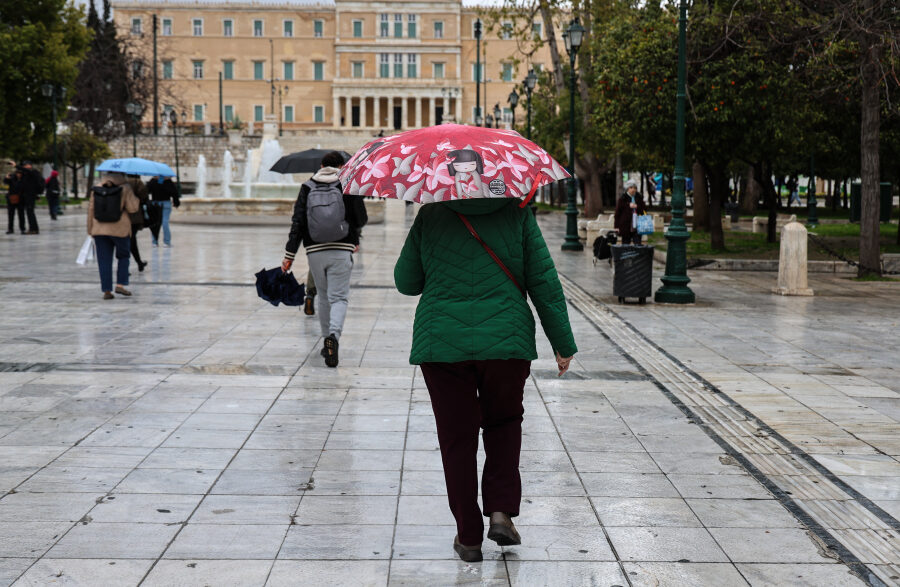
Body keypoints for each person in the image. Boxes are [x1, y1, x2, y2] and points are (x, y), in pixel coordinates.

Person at [393, 197, 577, 563]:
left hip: (442, 342)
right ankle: (501, 512)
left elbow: (406, 282)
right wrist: (563, 342)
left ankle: (468, 536)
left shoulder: (431, 214)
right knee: (504, 423)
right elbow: (543, 280)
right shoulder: (517, 213)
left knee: (456, 437)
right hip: (506, 340)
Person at [281, 151, 367, 367]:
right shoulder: (346, 183)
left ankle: (325, 339)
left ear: (321, 166)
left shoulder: (307, 186)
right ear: (341, 166)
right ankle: (333, 337)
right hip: (342, 248)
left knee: (323, 297)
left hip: (315, 250)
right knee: (339, 297)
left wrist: (289, 255)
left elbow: (298, 222)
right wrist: (354, 236)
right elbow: (361, 218)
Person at [88, 172, 140, 299]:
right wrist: (135, 197)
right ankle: (120, 285)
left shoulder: (97, 188)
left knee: (104, 260)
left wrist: (90, 229)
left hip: (99, 228)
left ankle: (107, 291)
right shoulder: (126, 187)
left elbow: (91, 209)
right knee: (123, 256)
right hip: (120, 229)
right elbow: (133, 208)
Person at [147, 176, 179, 246]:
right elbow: (174, 193)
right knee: (165, 222)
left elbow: (147, 190)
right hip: (166, 203)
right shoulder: (168, 181)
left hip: (155, 203)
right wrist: (176, 202)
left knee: (155, 222)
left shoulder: (153, 180)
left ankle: (154, 241)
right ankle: (166, 242)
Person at [127, 175, 149, 271]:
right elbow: (144, 197)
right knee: (131, 240)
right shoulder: (137, 182)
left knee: (129, 240)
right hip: (134, 215)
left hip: (122, 215)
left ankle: (138, 262)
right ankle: (134, 263)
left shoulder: (120, 182)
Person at [614, 178, 647, 245]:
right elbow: (617, 213)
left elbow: (644, 209)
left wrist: (637, 206)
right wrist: (616, 226)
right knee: (625, 244)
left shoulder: (639, 197)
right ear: (627, 189)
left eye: (635, 188)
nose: (633, 190)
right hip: (625, 225)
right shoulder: (623, 198)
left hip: (638, 224)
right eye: (631, 187)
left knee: (638, 244)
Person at [19, 161, 44, 234]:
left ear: (29, 165)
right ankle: (33, 229)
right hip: (28, 195)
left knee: (30, 212)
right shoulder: (27, 174)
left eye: (25, 165)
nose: (24, 167)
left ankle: (33, 229)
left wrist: (15, 165)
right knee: (29, 212)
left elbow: (32, 186)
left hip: (30, 195)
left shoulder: (33, 172)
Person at [4, 168, 25, 235]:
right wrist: (6, 177)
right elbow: (5, 182)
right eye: (17, 173)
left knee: (21, 215)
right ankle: (10, 229)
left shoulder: (24, 180)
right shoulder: (12, 178)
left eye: (20, 173)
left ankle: (22, 228)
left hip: (21, 199)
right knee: (11, 215)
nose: (19, 175)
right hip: (12, 198)